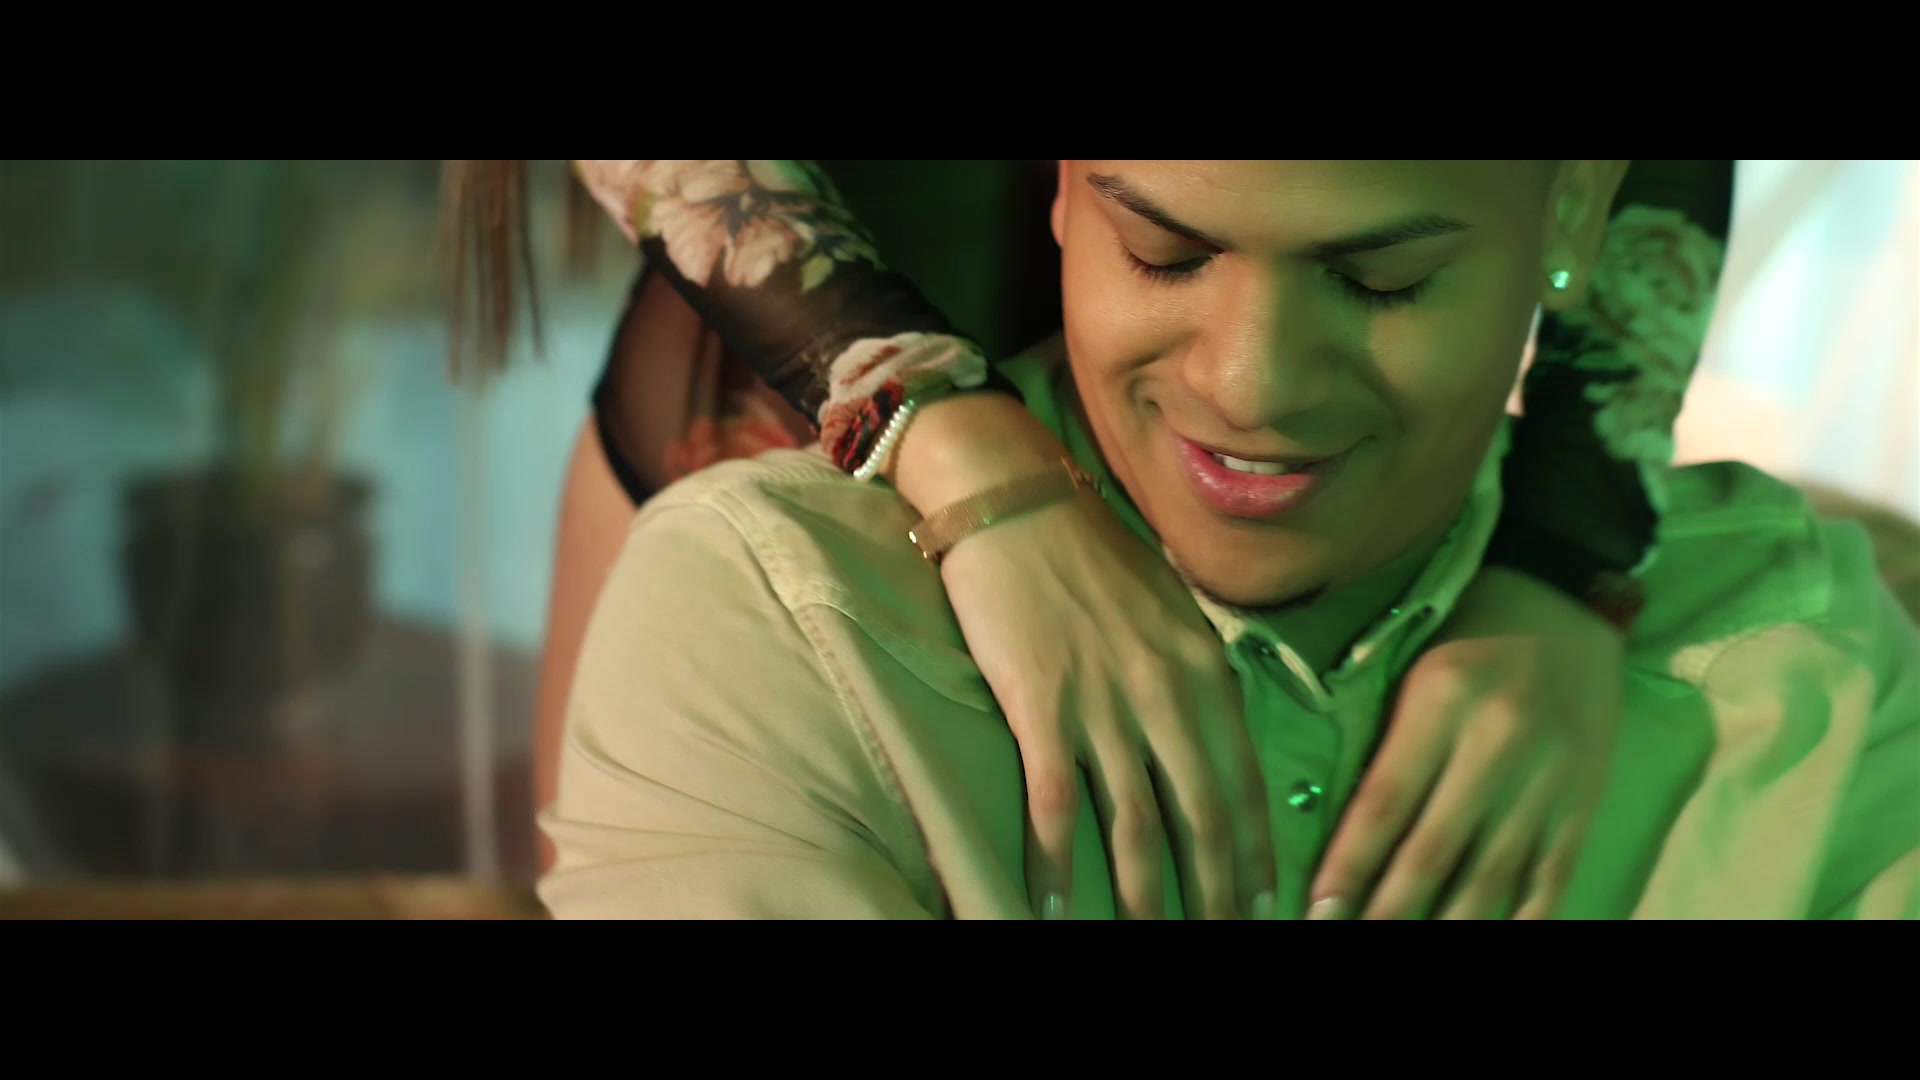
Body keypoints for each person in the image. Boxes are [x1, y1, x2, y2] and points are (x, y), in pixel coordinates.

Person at [537, 160, 1920, 920]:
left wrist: (1569, 545)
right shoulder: (764, 604)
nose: (1251, 383)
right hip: (785, 329)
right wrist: (951, 442)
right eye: (1168, 254)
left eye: (1382, 279)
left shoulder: (1807, 666)